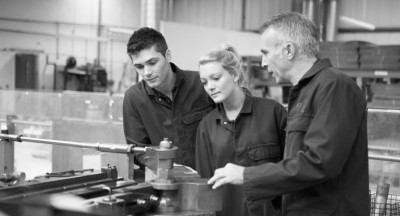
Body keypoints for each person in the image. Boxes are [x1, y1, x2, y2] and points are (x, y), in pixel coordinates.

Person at [207, 12, 370, 216]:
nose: (264, 63)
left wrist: (247, 174)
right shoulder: (304, 92)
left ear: (289, 50)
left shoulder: (334, 86)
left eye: (265, 53)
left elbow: (319, 162)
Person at [195, 45, 287, 216]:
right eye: (205, 82)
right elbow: (205, 184)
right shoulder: (206, 126)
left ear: (235, 74)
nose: (210, 87)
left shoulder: (273, 112)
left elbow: (292, 168)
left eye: (216, 78)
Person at [123, 27, 214, 178]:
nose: (146, 72)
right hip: (167, 185)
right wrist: (173, 170)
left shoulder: (202, 85)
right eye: (139, 66)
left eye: (152, 62)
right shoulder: (134, 99)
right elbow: (139, 152)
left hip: (212, 181)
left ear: (168, 55)